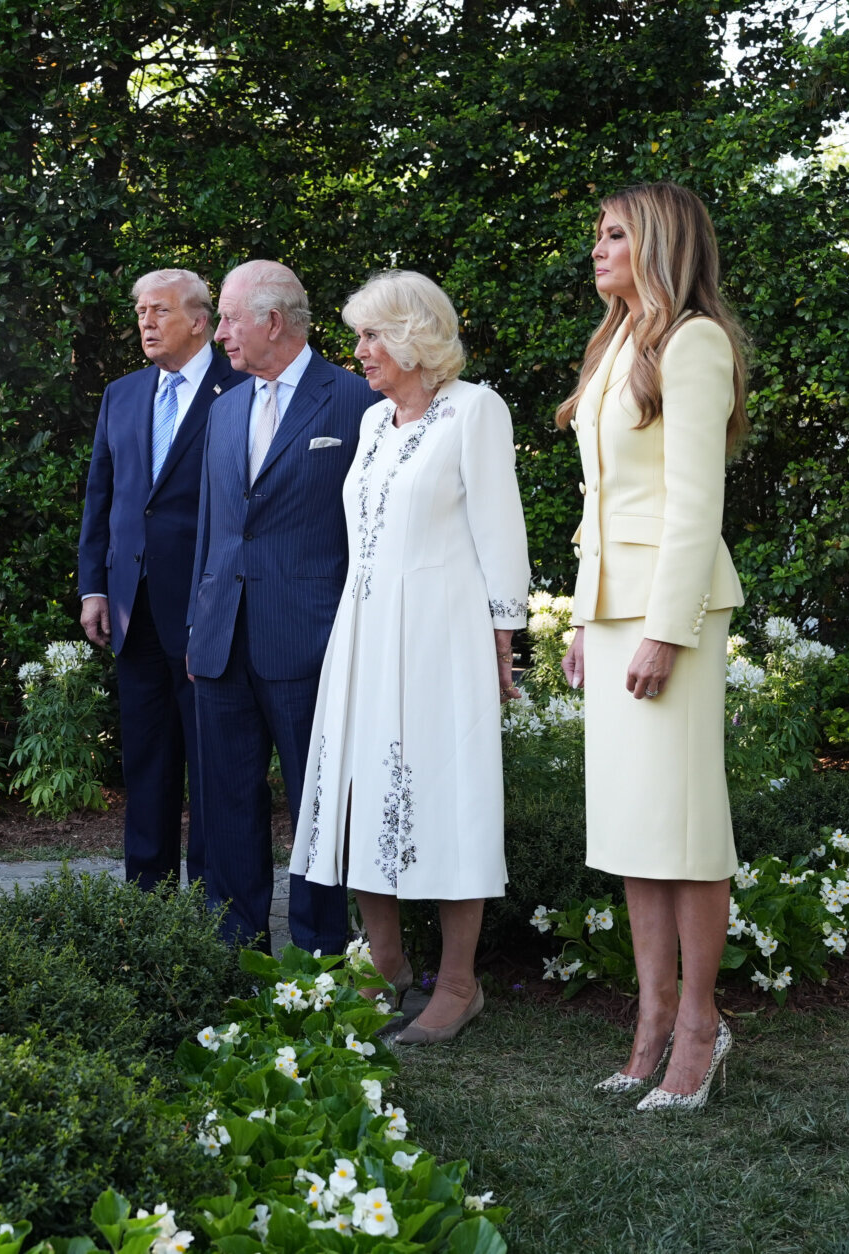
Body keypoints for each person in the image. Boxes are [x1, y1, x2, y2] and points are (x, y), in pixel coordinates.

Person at [292, 270, 529, 1044]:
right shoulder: (372, 423)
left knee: (449, 798)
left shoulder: (476, 410)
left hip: (441, 635)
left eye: (371, 335)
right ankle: (386, 965)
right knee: (361, 793)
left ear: (414, 337)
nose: (358, 350)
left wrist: (503, 633)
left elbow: (500, 528)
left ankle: (458, 986)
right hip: (363, 630)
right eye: (359, 334)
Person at [557, 182, 749, 1110]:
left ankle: (702, 1028)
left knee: (685, 829)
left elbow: (693, 504)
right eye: (597, 234)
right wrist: (583, 620)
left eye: (616, 234)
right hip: (614, 610)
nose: (598, 248)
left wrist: (665, 631)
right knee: (636, 832)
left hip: (674, 616)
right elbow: (603, 503)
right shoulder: (614, 345)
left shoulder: (694, 343)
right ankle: (650, 1020)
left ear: (661, 243)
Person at [187, 260, 373, 955]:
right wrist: (195, 629)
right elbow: (214, 526)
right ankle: (234, 949)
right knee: (227, 803)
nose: (220, 331)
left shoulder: (355, 402)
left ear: (272, 320)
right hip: (221, 641)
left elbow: (368, 534)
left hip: (310, 640)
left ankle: (323, 950)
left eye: (229, 318)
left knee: (316, 805)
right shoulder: (226, 404)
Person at [78, 269, 243, 891]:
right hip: (132, 609)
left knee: (212, 766)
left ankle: (208, 905)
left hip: (211, 609)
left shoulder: (241, 390)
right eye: (141, 311)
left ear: (200, 320)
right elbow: (103, 497)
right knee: (145, 763)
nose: (145, 322)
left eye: (160, 311)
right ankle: (147, 903)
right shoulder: (121, 395)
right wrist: (93, 587)